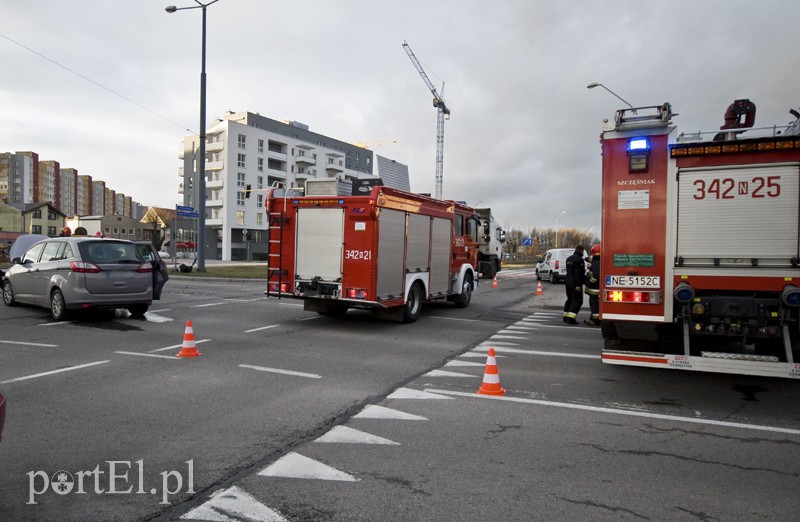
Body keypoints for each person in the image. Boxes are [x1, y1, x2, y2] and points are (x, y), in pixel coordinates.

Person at [563, 245, 585, 324]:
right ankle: (571, 318)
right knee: (577, 300)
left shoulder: (569, 259)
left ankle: (565, 315)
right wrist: (578, 285)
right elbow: (578, 273)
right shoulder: (579, 260)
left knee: (569, 299)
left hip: (567, 281)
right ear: (581, 251)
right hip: (575, 282)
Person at [584, 243, 601, 326]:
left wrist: (590, 282)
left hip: (594, 287)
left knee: (594, 304)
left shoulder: (597, 263)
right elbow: (589, 259)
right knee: (595, 303)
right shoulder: (598, 260)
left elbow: (596, 276)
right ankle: (594, 318)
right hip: (595, 287)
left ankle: (595, 320)